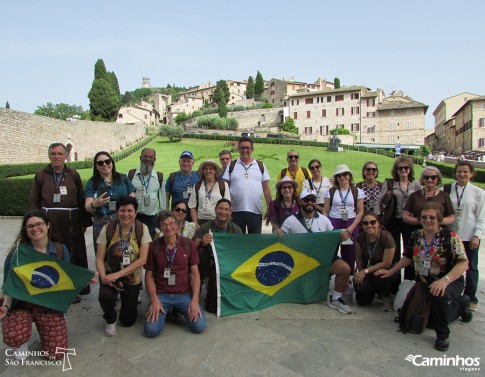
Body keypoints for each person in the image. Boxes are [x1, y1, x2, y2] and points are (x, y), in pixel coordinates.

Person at [377, 203, 472, 352]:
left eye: (432, 217)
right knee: (426, 319)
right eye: (424, 217)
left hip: (449, 281)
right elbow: (407, 257)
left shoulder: (450, 237)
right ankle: (458, 306)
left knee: (437, 298)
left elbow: (463, 264)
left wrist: (443, 281)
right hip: (423, 281)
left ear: (439, 219)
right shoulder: (417, 235)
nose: (428, 220)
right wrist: (390, 271)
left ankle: (443, 334)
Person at [1, 211, 71, 359]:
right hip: (22, 304)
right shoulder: (16, 254)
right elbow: (9, 285)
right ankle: (22, 341)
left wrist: (85, 280)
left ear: (48, 225)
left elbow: (67, 279)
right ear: (26, 231)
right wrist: (6, 307)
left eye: (39, 224)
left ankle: (45, 328)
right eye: (30, 226)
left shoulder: (60, 250)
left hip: (48, 305)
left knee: (56, 354)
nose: (35, 228)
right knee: (14, 336)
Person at [28, 143, 90, 300]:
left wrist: (83, 222)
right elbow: (34, 201)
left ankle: (72, 290)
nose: (56, 157)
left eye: (60, 154)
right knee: (51, 253)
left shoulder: (73, 174)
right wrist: (33, 223)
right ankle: (51, 287)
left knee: (72, 255)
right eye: (53, 154)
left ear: (65, 156)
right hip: (49, 223)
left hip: (70, 222)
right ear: (49, 156)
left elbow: (81, 198)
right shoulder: (41, 175)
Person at [281, 189, 352, 314]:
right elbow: (281, 244)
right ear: (300, 202)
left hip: (322, 258)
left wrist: (341, 238)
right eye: (306, 200)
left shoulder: (324, 220)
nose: (310, 203)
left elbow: (333, 239)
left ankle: (336, 298)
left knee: (345, 268)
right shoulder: (290, 221)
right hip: (300, 260)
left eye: (313, 200)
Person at [144, 211, 206, 337]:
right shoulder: (154, 247)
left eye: (171, 223)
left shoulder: (188, 244)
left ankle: (174, 310)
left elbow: (195, 274)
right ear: (159, 228)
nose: (168, 228)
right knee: (151, 331)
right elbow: (149, 275)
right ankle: (165, 311)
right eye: (164, 224)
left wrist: (195, 299)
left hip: (183, 293)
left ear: (177, 225)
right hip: (162, 294)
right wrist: (154, 299)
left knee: (199, 326)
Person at [96, 196, 150, 337]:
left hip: (131, 277)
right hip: (110, 274)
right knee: (105, 296)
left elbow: (143, 259)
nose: (126, 214)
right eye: (122, 210)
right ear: (117, 212)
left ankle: (126, 306)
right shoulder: (107, 229)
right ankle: (110, 317)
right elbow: (99, 258)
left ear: (136, 213)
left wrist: (119, 275)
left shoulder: (141, 229)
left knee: (127, 321)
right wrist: (103, 277)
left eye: (130, 211)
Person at [444, 161, 485, 311]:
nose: (462, 174)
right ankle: (451, 293)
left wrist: (477, 235)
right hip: (452, 235)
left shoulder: (478, 193)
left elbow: (481, 216)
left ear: (471, 174)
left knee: (471, 267)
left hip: (469, 235)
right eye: (459, 171)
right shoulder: (447, 189)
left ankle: (470, 297)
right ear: (455, 173)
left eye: (465, 172)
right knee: (450, 266)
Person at [193, 198, 242, 312]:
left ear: (230, 212)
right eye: (220, 208)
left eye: (226, 209)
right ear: (215, 210)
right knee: (200, 251)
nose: (223, 212)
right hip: (209, 263)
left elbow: (240, 253)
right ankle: (201, 283)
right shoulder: (205, 227)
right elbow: (193, 247)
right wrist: (202, 243)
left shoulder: (236, 230)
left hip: (227, 263)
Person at [84, 151, 135, 252]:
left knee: (124, 253)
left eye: (107, 161)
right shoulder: (93, 182)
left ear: (112, 162)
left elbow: (133, 200)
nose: (105, 165)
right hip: (102, 224)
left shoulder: (123, 178)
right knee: (103, 255)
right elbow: (87, 206)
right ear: (96, 166)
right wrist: (95, 204)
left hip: (123, 221)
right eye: (100, 163)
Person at [376, 156, 421, 265]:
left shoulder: (415, 184)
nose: (403, 170)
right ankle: (394, 277)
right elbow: (379, 200)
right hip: (393, 219)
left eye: (406, 167)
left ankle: (409, 278)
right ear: (396, 170)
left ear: (410, 169)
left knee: (410, 250)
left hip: (410, 220)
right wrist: (377, 216)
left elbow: (421, 200)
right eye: (400, 168)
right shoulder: (390, 183)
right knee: (393, 249)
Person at [222, 136, 272, 234]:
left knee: (254, 243)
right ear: (238, 149)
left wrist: (270, 208)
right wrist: (226, 208)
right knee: (237, 242)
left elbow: (266, 189)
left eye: (247, 148)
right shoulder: (231, 165)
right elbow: (225, 188)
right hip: (235, 211)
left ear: (252, 149)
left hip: (255, 211)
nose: (245, 150)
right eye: (242, 148)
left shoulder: (260, 165)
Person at [353, 213, 399, 311]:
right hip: (368, 271)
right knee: (362, 301)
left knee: (380, 275)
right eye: (365, 223)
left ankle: (387, 297)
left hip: (387, 270)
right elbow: (359, 259)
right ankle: (376, 290)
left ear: (378, 223)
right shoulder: (360, 238)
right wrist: (362, 273)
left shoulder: (386, 237)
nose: (369, 225)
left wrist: (365, 271)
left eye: (373, 222)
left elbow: (387, 263)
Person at [323, 164, 364, 271]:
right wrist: (325, 227)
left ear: (349, 176)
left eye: (345, 174)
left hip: (351, 222)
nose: (342, 177)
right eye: (339, 175)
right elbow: (325, 211)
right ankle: (329, 275)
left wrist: (351, 228)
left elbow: (360, 211)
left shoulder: (357, 191)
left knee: (350, 252)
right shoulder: (330, 192)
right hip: (333, 222)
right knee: (331, 251)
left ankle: (349, 277)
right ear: (336, 178)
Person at [128, 148, 166, 239]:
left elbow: (162, 200)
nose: (148, 159)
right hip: (135, 218)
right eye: (145, 156)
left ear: (154, 159)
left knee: (150, 246)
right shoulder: (130, 174)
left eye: (151, 157)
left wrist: (162, 220)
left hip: (152, 219)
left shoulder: (159, 176)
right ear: (140, 158)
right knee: (133, 244)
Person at [189, 160, 230, 225]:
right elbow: (192, 206)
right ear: (203, 171)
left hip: (218, 221)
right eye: (206, 169)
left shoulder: (223, 185)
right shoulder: (197, 185)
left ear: (215, 171)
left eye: (211, 169)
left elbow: (227, 206)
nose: (208, 171)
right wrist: (196, 224)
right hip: (201, 222)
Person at [165, 151, 200, 217]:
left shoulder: (198, 177)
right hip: (176, 214)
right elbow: (167, 195)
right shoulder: (173, 176)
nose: (186, 163)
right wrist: (167, 211)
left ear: (193, 163)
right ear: (179, 162)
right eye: (183, 161)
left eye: (188, 161)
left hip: (193, 215)